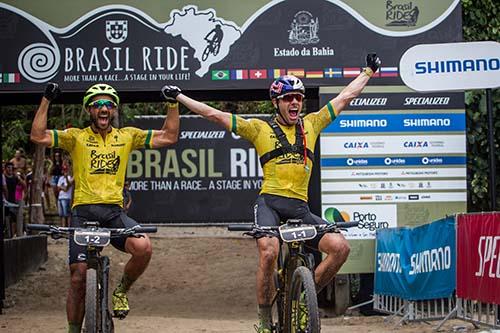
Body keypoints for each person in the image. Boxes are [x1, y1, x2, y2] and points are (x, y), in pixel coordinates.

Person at [162, 53, 381, 332]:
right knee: (268, 252)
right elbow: (213, 114)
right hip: (270, 204)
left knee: (341, 248)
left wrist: (369, 71)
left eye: (299, 98)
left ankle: (305, 298)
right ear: (276, 102)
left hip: (300, 208)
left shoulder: (312, 124)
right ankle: (265, 319)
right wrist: (179, 97)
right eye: (288, 98)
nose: (295, 103)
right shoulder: (259, 128)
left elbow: (345, 97)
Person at [30, 82, 180, 333]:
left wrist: (173, 103)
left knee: (143, 247)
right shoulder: (75, 137)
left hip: (113, 213)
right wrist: (46, 99)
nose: (103, 108)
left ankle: (121, 290)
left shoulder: (126, 136)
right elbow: (37, 136)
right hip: (83, 212)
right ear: (89, 110)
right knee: (78, 277)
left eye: (109, 104)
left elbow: (169, 136)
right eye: (97, 104)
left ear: (114, 111)